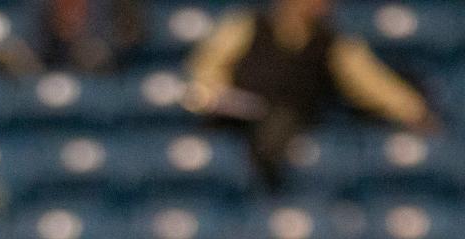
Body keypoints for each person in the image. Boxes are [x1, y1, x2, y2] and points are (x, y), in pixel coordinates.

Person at [187, 0, 437, 188]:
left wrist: (413, 110)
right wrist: (215, 93)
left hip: (291, 119)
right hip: (234, 116)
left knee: (278, 127)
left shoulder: (332, 42)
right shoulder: (246, 25)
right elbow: (207, 67)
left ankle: (270, 191)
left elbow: (372, 83)